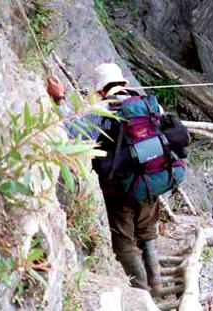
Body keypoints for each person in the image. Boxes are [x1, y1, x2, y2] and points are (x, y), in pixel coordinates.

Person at [46, 63, 165, 294]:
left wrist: (60, 99)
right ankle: (157, 283)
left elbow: (71, 132)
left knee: (124, 245)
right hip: (152, 180)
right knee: (147, 232)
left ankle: (142, 292)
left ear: (101, 90)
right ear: (123, 83)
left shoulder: (103, 109)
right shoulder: (150, 105)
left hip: (120, 189)